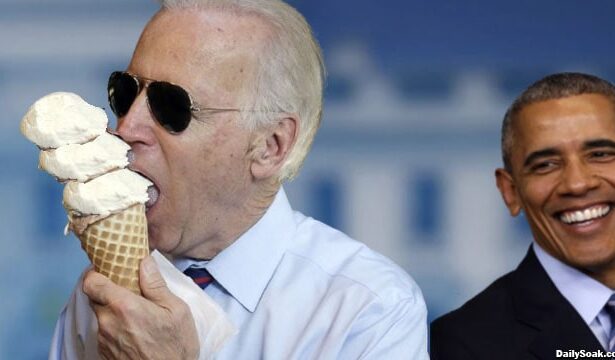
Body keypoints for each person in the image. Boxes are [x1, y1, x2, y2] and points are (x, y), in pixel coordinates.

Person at [49, 0, 429, 359]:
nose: (128, 127)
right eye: (126, 93)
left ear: (270, 146)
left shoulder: (369, 309)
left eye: (172, 107)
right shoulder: (100, 297)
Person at [431, 72, 615, 359]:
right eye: (546, 165)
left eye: (601, 154)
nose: (578, 183)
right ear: (510, 192)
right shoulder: (463, 343)